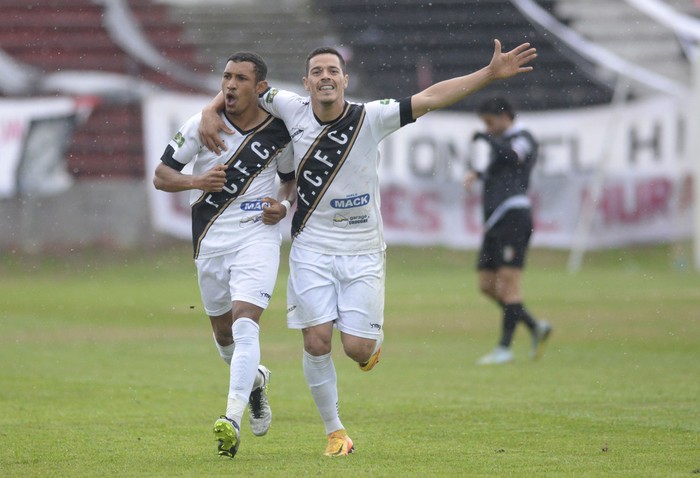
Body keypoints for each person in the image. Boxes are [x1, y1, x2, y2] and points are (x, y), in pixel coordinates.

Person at [199, 39, 537, 456]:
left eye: (332, 71)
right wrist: (209, 109)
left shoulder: (371, 117)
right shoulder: (289, 107)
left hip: (362, 249)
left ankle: (366, 348)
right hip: (312, 247)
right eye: (317, 72)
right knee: (316, 341)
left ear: (344, 80)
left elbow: (431, 97)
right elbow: (242, 88)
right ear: (306, 83)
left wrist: (488, 73)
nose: (325, 77)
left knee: (357, 350)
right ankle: (335, 433)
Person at [153, 51, 296, 458]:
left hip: (258, 237)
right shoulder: (202, 126)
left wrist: (282, 207)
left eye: (240, 79)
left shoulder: (279, 131)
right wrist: (198, 180)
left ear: (260, 88)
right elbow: (161, 176)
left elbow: (289, 182)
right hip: (210, 242)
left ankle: (230, 418)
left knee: (246, 322)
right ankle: (256, 383)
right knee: (224, 338)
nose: (230, 85)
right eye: (226, 77)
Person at [464, 97, 552, 365]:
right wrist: (478, 175)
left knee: (509, 284)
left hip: (514, 216)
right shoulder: (499, 143)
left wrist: (485, 138)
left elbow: (512, 157)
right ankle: (534, 325)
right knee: (487, 284)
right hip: (495, 222)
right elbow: (497, 170)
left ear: (505, 116)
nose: (488, 129)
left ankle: (504, 348)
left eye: (490, 123)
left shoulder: (524, 137)